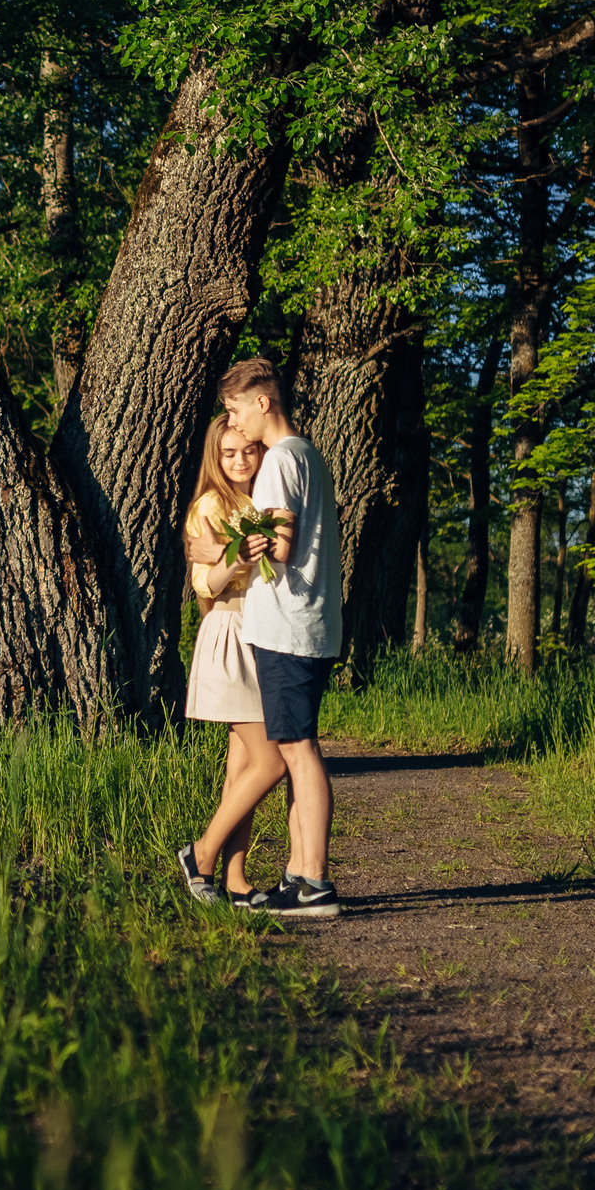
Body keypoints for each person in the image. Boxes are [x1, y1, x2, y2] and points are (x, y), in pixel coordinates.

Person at [174, 356, 344, 920]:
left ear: (261, 403)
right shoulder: (308, 456)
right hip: (296, 626)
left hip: (286, 627)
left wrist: (221, 551)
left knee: (291, 752)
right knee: (284, 754)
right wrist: (221, 555)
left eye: (235, 409)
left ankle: (302, 878)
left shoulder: (278, 465)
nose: (235, 423)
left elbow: (282, 549)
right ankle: (288, 874)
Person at [176, 416, 280, 903]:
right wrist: (231, 557)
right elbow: (205, 585)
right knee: (271, 761)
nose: (240, 461)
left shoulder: (261, 500)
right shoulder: (211, 504)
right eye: (229, 454)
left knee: (242, 771)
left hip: (261, 635)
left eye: (248, 451)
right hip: (230, 632)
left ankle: (236, 880)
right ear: (214, 459)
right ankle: (200, 854)